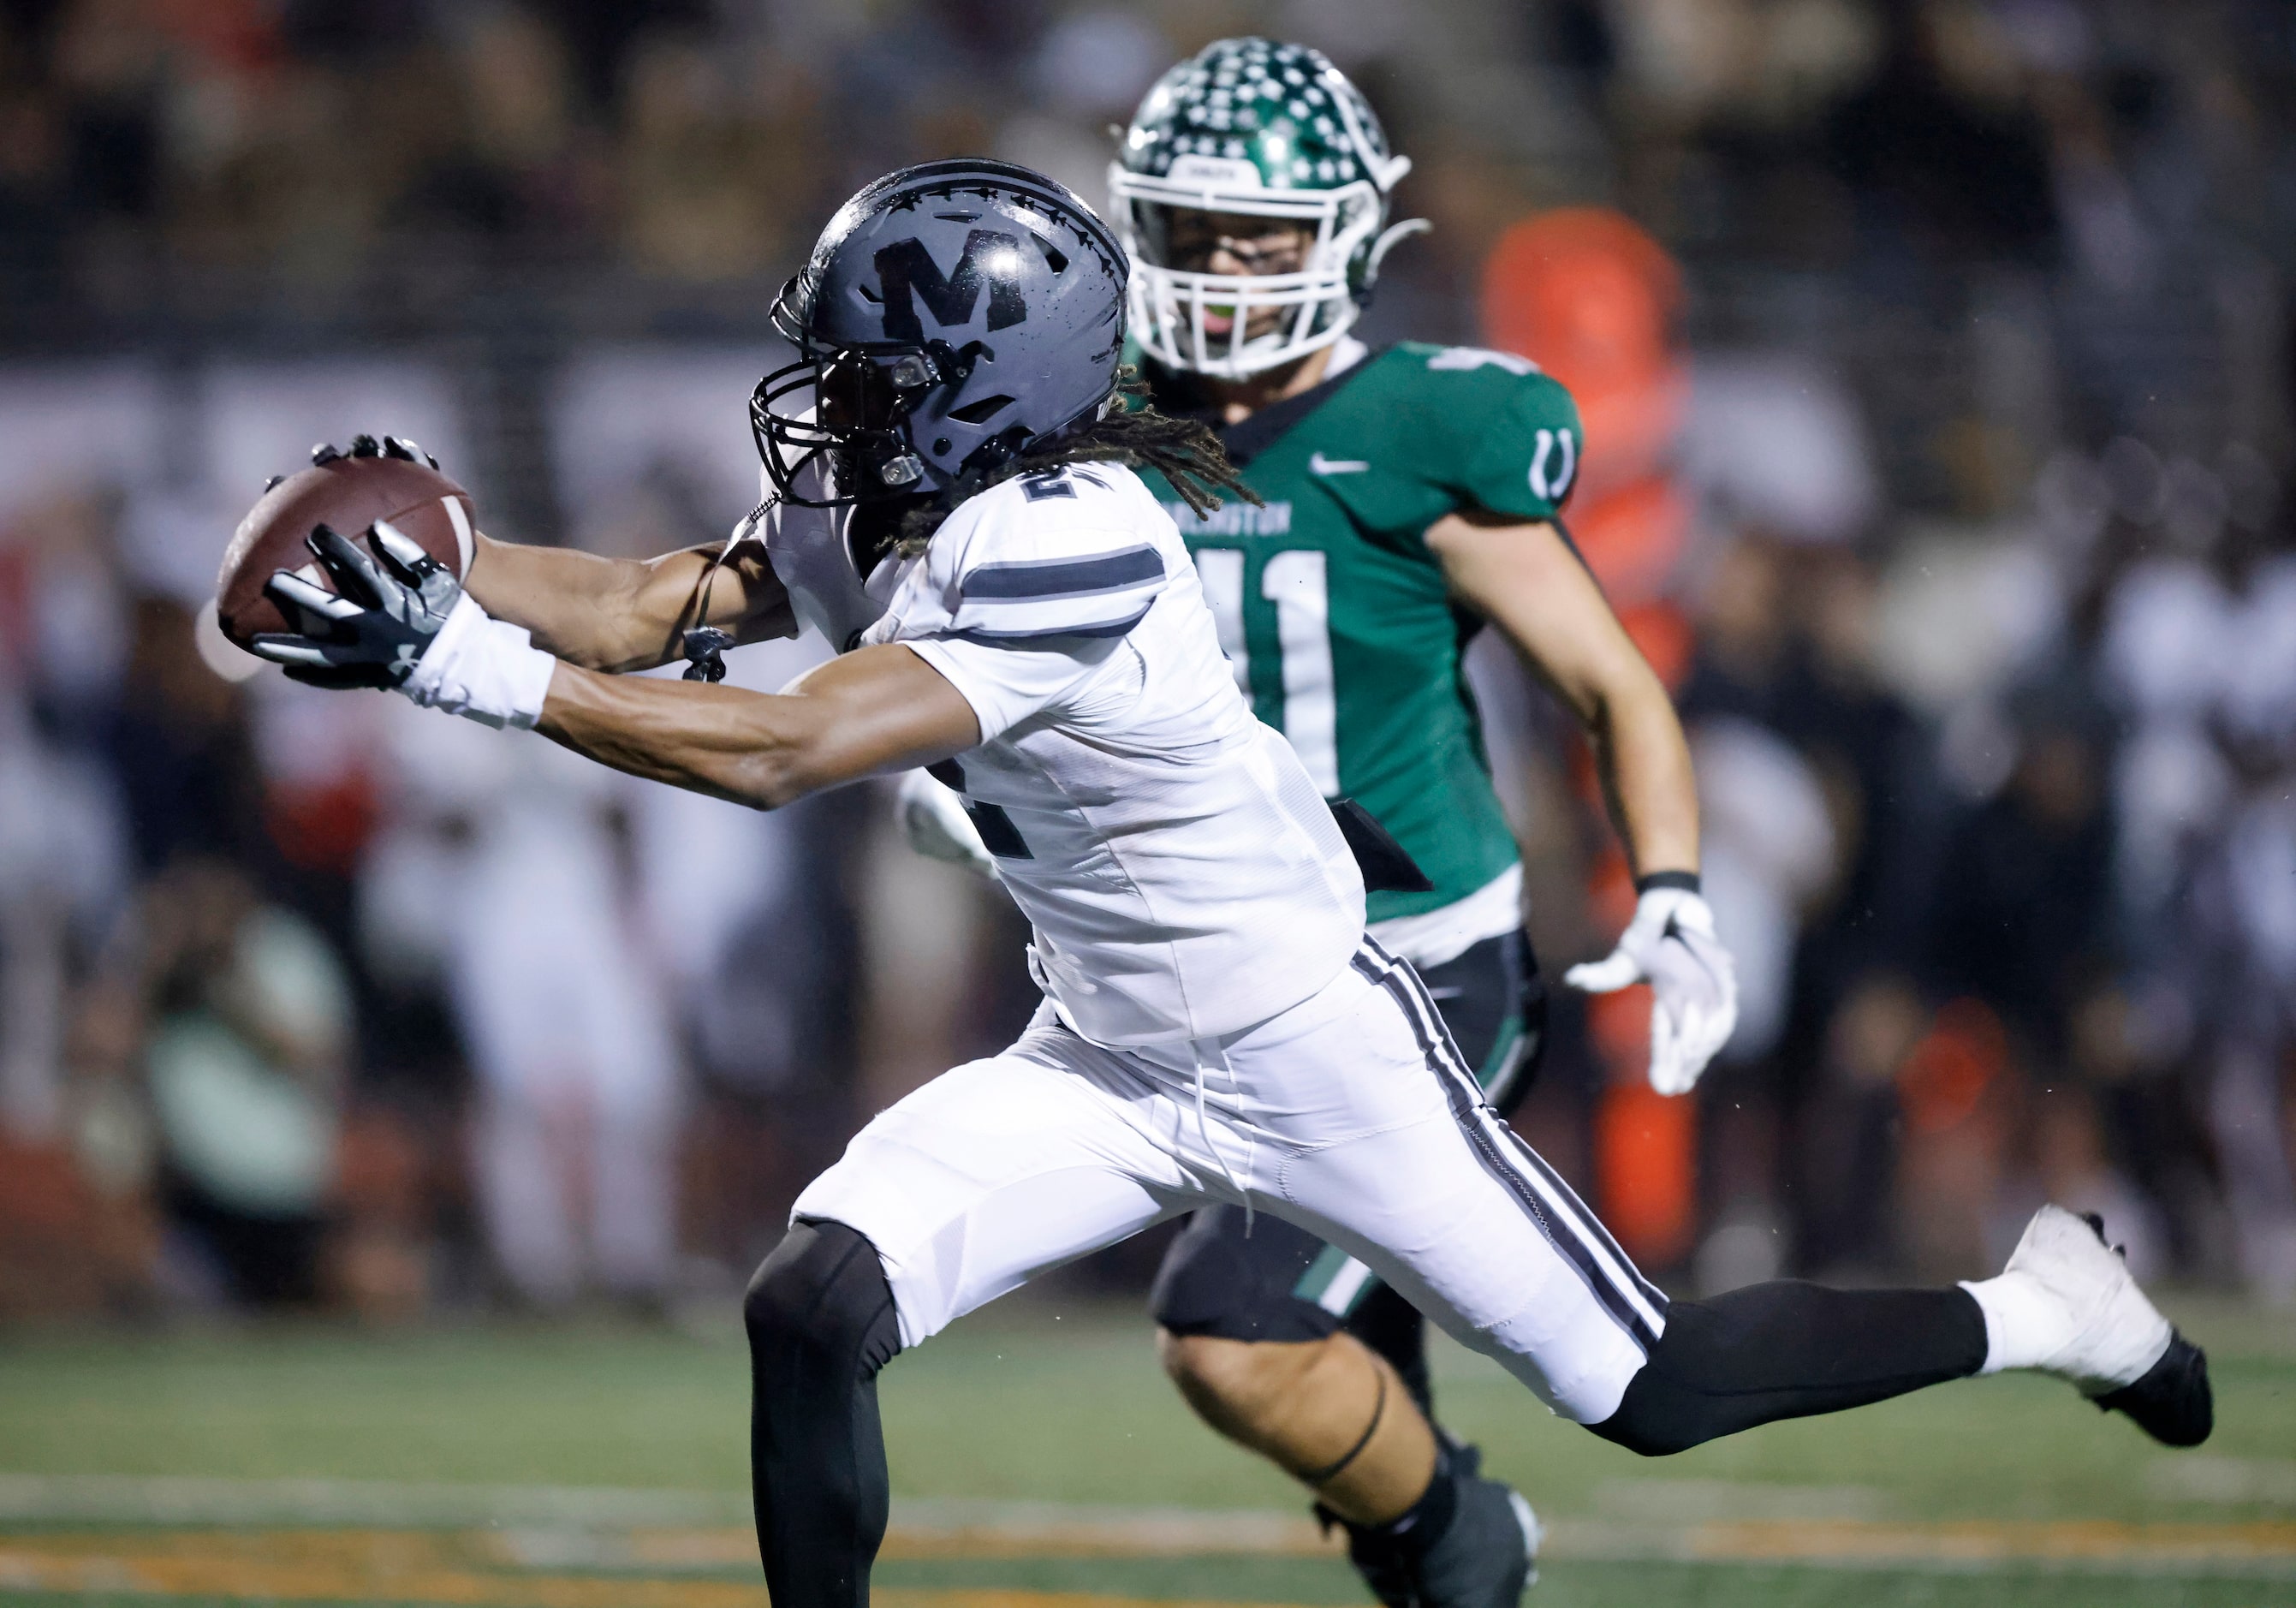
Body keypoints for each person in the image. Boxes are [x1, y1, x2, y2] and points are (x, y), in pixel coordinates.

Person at [247, 157, 2210, 1608]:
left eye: (859, 369)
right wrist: (444, 547)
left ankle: (2048, 1311)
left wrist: (459, 667)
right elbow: (658, 605)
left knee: (1652, 1385)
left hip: (1311, 1041)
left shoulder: (1067, 534)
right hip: (1103, 1051)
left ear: (975, 384)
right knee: (811, 1301)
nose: (819, 406)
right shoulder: (915, 491)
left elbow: (776, 748)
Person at [891, 39, 1725, 1604]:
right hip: (1216, 974)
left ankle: (1473, 1538)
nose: (1217, 273)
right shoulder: (1082, 414)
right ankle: (1446, 1550)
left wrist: (1670, 883)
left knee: (1249, 1334)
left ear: (1349, 235)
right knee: (1352, 1403)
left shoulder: (1421, 425)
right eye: (1189, 231)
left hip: (1415, 964)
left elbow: (1611, 682)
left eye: (1258, 235)